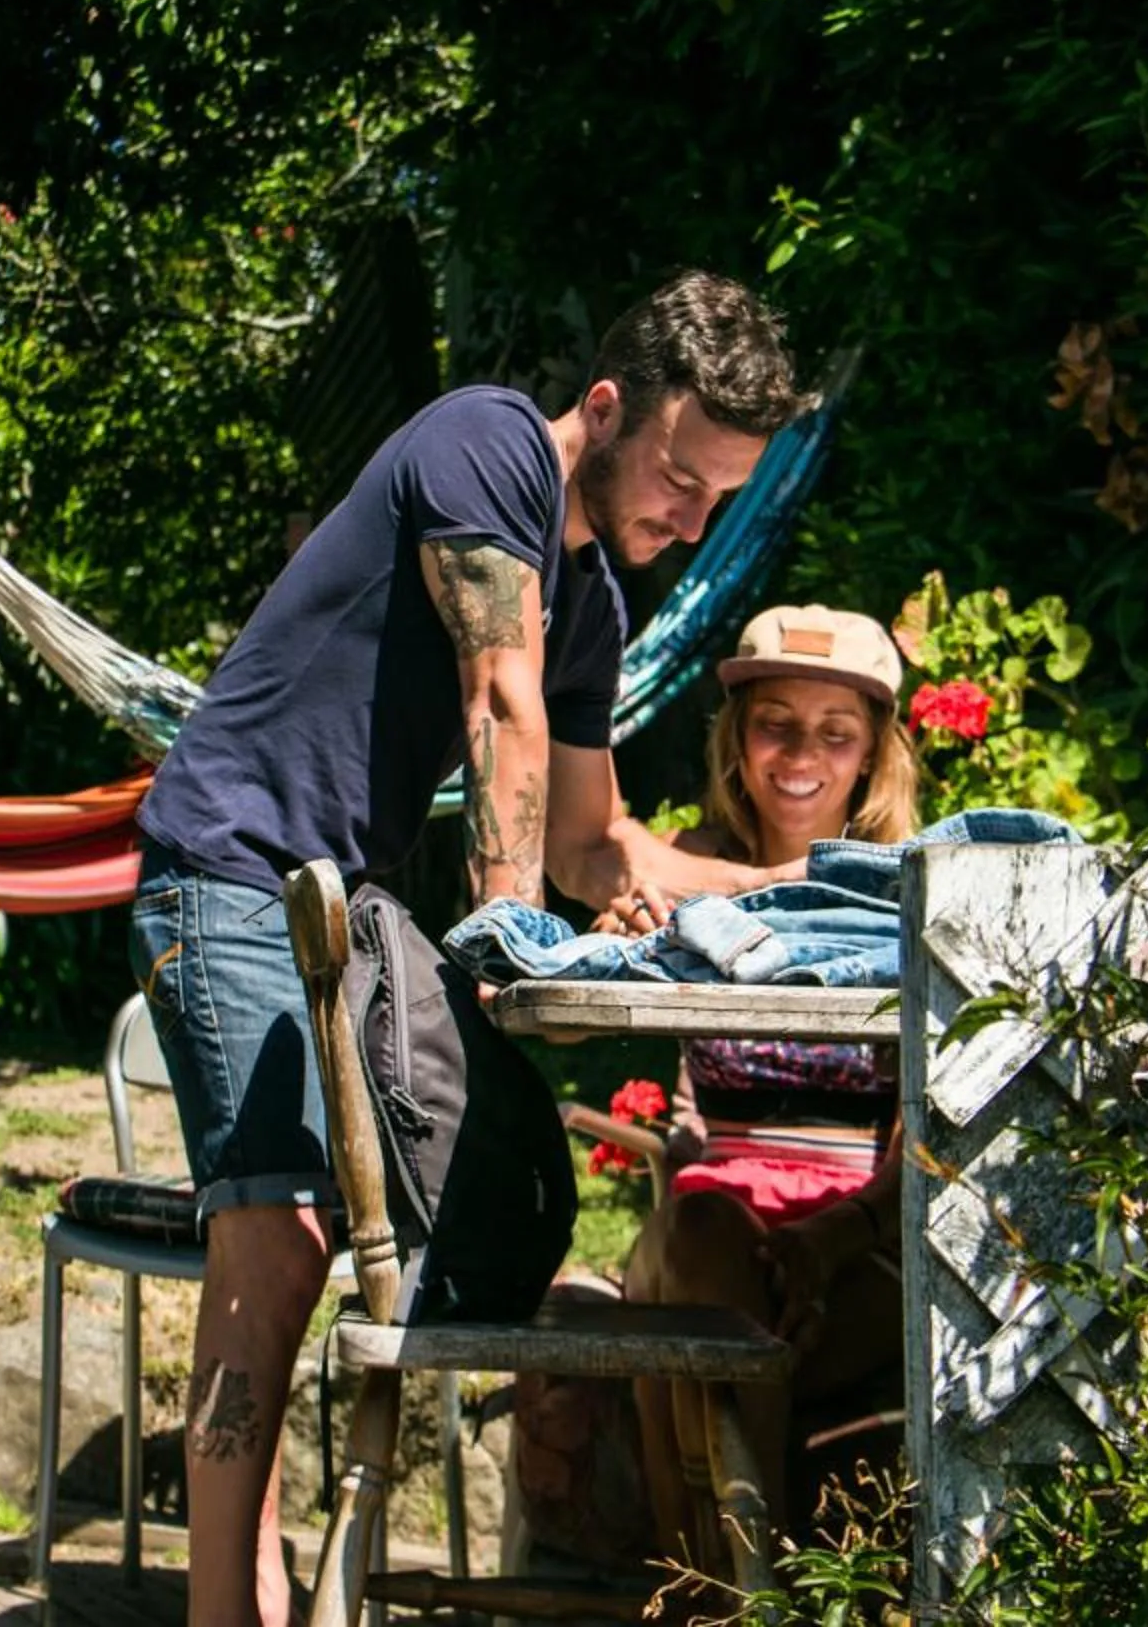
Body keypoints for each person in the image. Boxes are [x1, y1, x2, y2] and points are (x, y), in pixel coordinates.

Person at [130, 269, 813, 1627]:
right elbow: (493, 692)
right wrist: (512, 949)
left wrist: (796, 889)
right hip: (229, 861)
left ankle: (253, 1596)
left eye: (718, 502)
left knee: (336, 1235)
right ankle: (229, 1608)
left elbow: (597, 844)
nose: (690, 519)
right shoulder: (485, 442)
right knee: (280, 1229)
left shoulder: (598, 613)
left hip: (331, 901)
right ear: (607, 408)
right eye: (682, 478)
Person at [617, 605, 921, 1578]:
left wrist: (831, 1239)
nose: (802, 752)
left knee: (681, 1288)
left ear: (873, 754)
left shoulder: (912, 891)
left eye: (836, 732)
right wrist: (625, 937)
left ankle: (716, 1587)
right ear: (736, 739)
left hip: (862, 1231)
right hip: (719, 1218)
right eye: (775, 721)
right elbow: (683, 1116)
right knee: (697, 1231)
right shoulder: (680, 874)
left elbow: (933, 1136)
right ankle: (747, 1592)